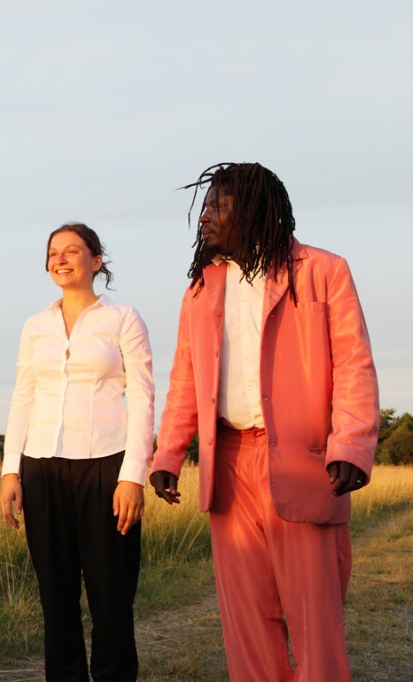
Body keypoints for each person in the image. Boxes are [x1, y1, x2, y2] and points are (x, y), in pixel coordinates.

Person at [150, 162, 379, 681]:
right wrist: (169, 452)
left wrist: (351, 444)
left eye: (216, 206)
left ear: (252, 210)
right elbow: (186, 379)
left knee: (315, 625)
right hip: (228, 467)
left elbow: (353, 363)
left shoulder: (322, 270)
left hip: (304, 465)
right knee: (247, 625)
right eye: (204, 207)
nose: (204, 217)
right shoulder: (200, 290)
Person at [0, 224, 154, 681]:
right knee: (56, 597)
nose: (61, 259)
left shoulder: (123, 318)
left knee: (112, 597)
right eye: (53, 253)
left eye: (72, 251)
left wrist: (133, 476)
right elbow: (23, 396)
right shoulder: (35, 326)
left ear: (96, 261)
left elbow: (143, 396)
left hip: (107, 466)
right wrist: (11, 471)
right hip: (41, 468)